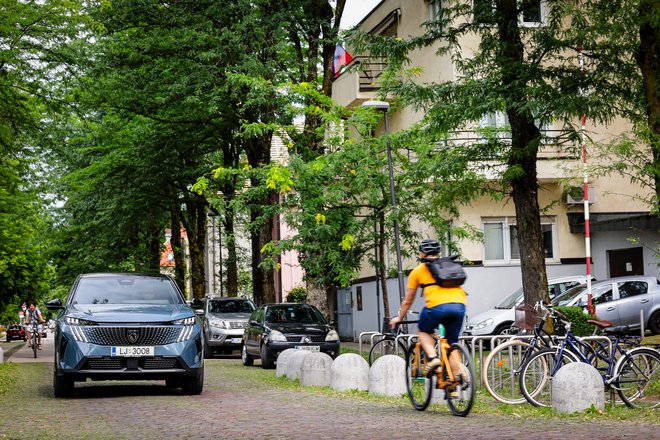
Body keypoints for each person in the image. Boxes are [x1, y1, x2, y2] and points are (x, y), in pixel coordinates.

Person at [389, 239, 467, 377]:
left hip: (436, 307)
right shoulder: (448, 265)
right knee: (451, 343)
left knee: (423, 331)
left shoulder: (418, 271)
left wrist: (399, 317)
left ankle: (432, 358)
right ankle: (456, 380)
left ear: (421, 254)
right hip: (459, 306)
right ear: (438, 253)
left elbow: (408, 300)